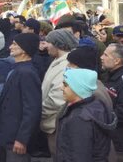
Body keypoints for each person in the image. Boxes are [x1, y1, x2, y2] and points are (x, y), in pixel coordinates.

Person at [0, 33, 42, 161]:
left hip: (15, 138)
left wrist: (22, 139)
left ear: (24, 50)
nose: (10, 47)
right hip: (8, 135)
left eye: (15, 44)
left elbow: (32, 109)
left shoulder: (27, 73)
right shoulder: (19, 69)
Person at [55, 68, 116, 161]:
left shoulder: (79, 119)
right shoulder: (96, 105)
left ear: (77, 88)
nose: (61, 88)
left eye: (65, 85)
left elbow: (79, 156)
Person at [40, 29, 77, 157]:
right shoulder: (58, 61)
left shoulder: (65, 65)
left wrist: (41, 112)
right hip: (52, 123)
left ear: (58, 44)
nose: (45, 46)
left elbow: (57, 98)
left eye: (48, 42)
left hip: (56, 124)